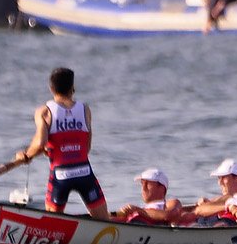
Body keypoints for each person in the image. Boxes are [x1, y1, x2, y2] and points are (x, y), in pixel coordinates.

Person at [15, 67, 109, 219]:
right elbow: (86, 148)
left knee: (53, 223)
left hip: (60, 176)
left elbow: (40, 142)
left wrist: (26, 155)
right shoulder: (85, 110)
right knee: (104, 221)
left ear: (51, 88)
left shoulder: (44, 111)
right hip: (85, 173)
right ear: (73, 88)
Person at [114, 168, 187, 226]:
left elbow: (169, 215)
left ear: (162, 188)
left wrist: (139, 211)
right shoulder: (143, 209)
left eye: (147, 184)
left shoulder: (171, 203)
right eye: (142, 183)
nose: (143, 188)